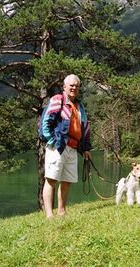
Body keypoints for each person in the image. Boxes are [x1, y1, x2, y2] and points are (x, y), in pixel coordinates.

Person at [41, 74, 91, 218]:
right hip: (58, 146)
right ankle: (50, 215)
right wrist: (52, 141)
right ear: (64, 86)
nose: (74, 87)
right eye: (71, 85)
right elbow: (46, 122)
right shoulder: (58, 100)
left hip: (73, 147)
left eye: (77, 85)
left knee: (67, 180)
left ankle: (62, 211)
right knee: (51, 179)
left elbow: (84, 128)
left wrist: (86, 148)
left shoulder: (79, 105)